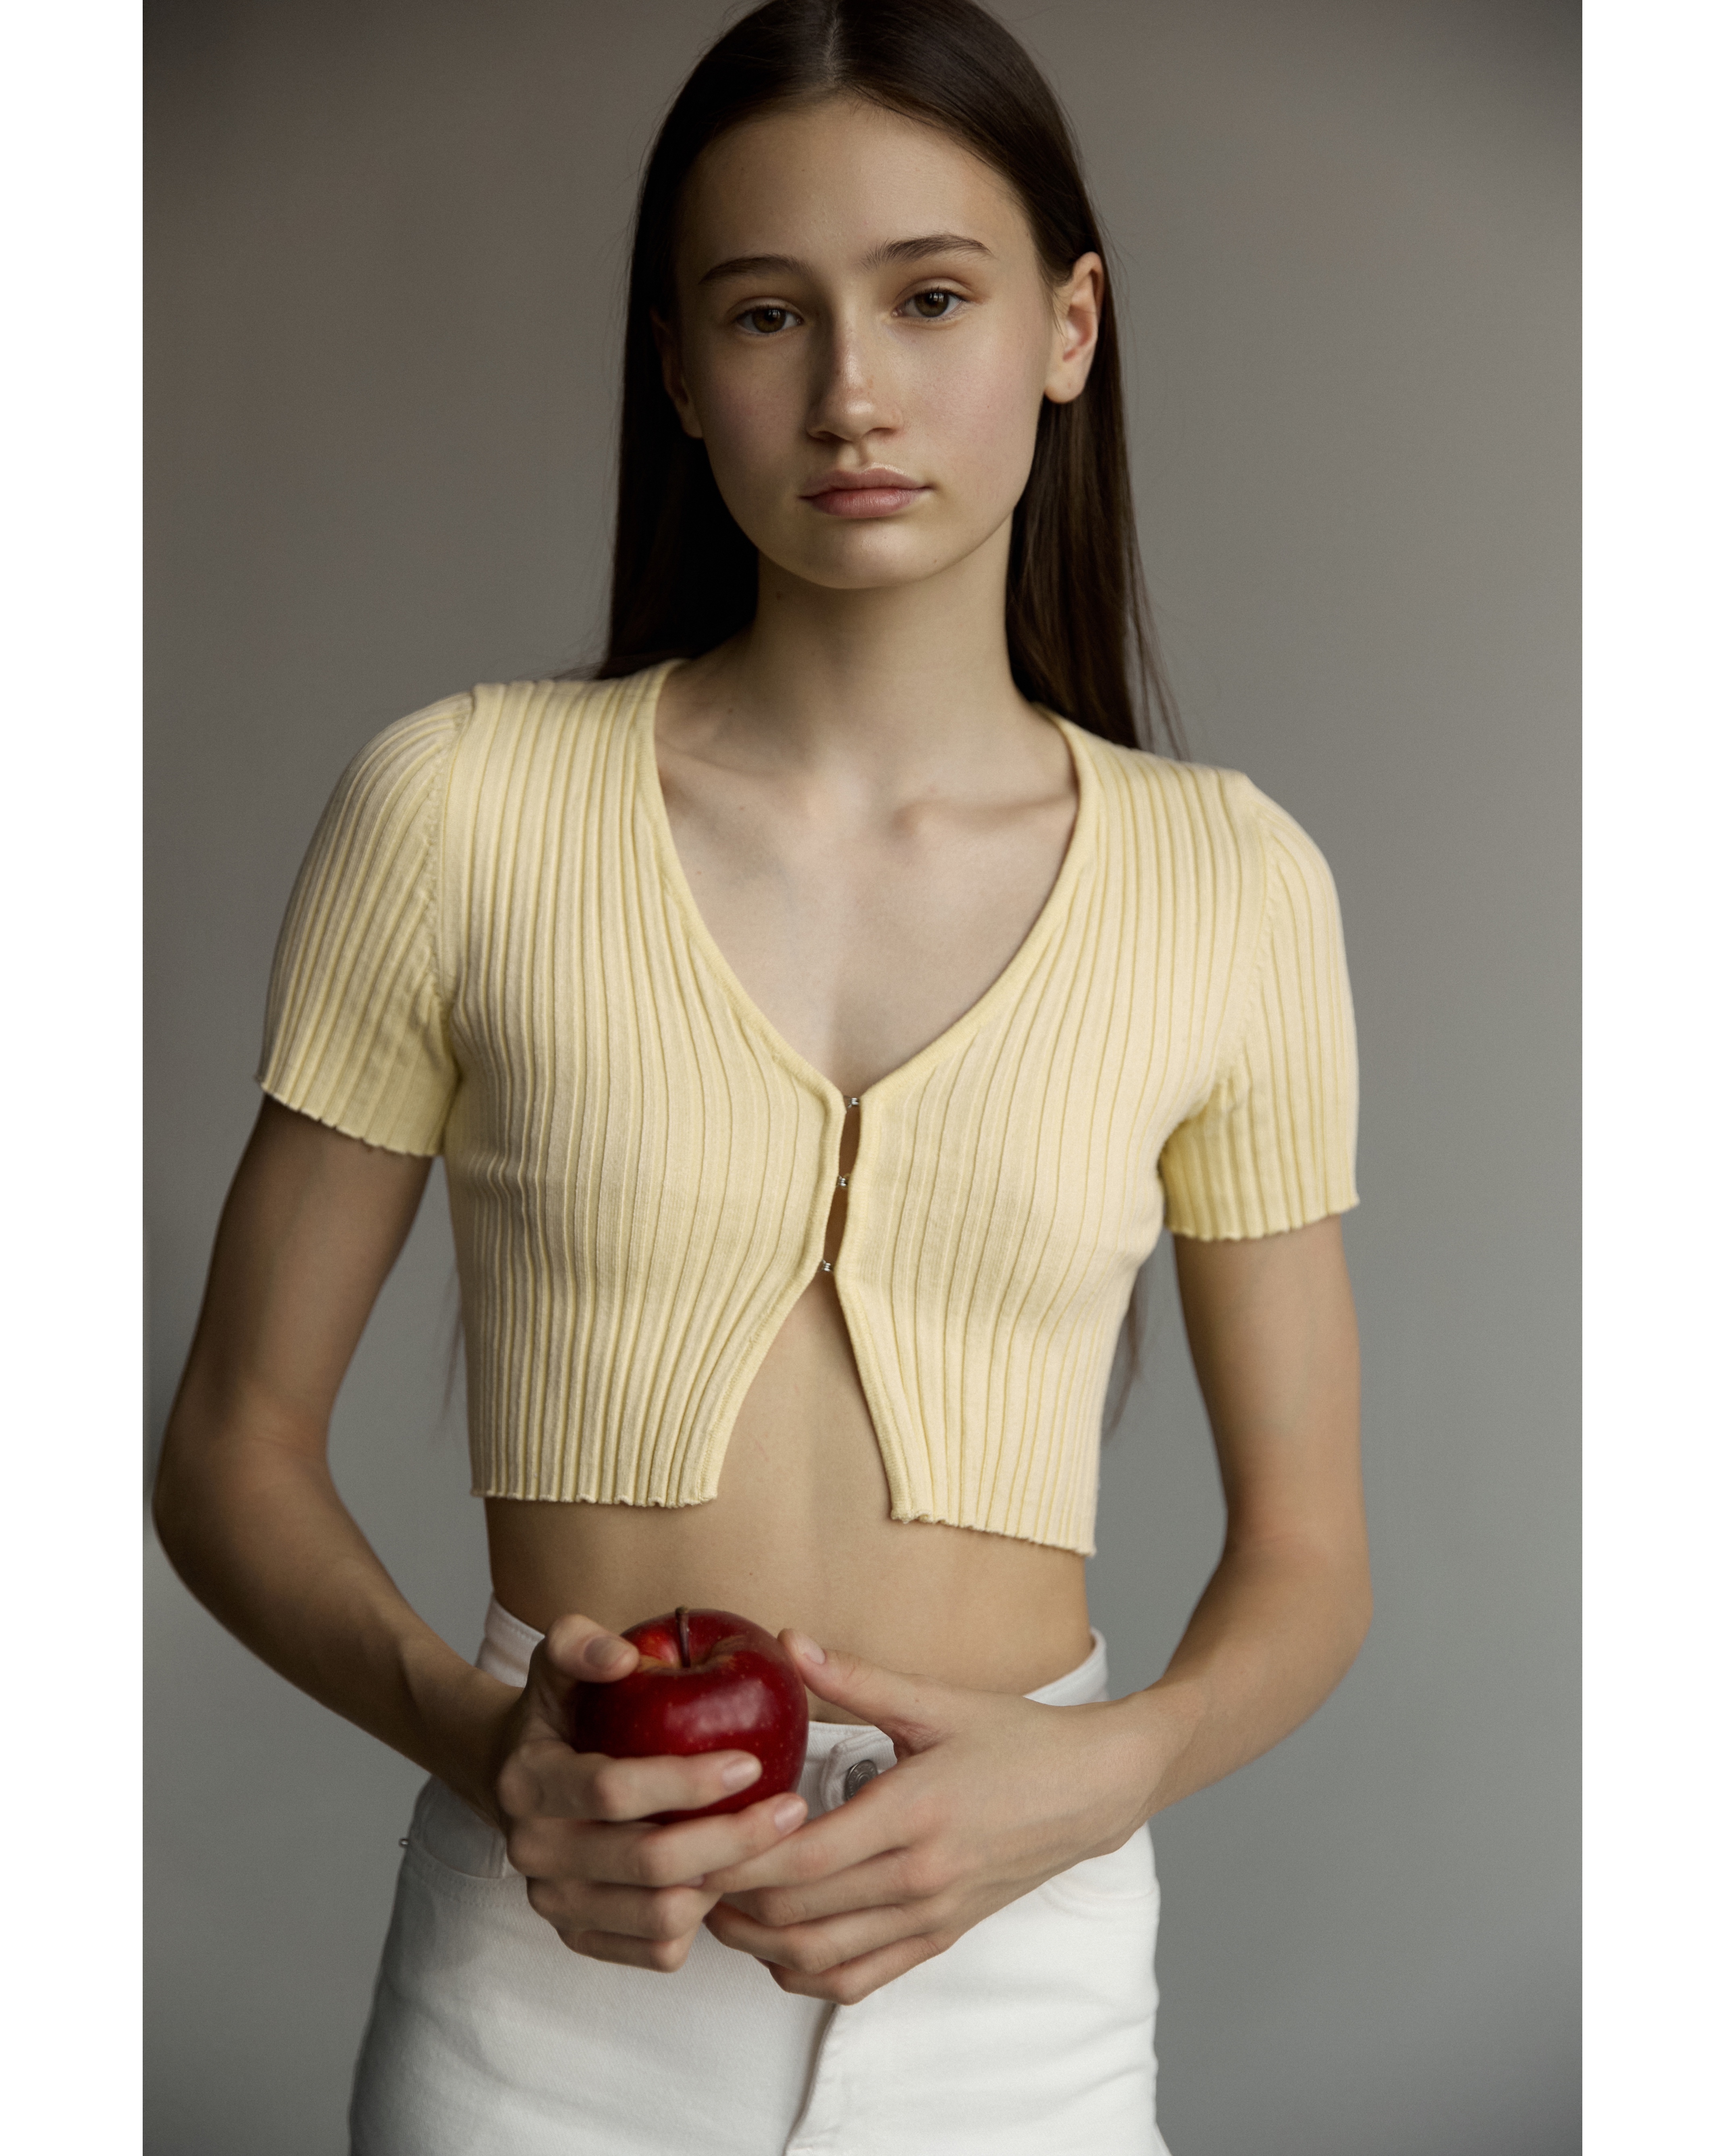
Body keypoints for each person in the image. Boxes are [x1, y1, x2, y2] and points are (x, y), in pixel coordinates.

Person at [153, 2, 1370, 2150]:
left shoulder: (1234, 883)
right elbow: (232, 1451)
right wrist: (489, 1748)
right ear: (675, 366)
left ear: (1069, 328)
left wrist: (1104, 1773)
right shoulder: (456, 809)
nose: (851, 393)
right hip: (549, 1962)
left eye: (931, 297)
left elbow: (1309, 1554)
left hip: (1017, 1965)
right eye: (765, 312)